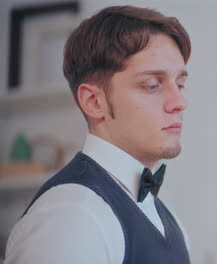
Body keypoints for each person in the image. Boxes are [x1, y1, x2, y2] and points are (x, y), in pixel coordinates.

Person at [5, 5, 191, 264]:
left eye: (180, 84)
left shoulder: (165, 215)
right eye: (152, 85)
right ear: (94, 101)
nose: (179, 101)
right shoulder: (71, 216)